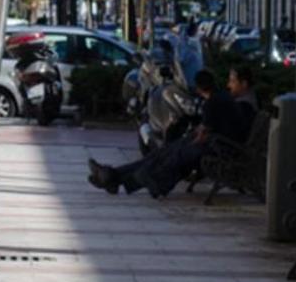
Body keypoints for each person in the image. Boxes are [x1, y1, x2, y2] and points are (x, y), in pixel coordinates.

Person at [88, 68, 255, 198]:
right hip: (217, 146)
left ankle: (113, 177)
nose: (229, 85)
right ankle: (112, 176)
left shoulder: (242, 105)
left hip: (219, 149)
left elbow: (216, 133)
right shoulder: (234, 101)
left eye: (233, 81)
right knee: (161, 155)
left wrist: (192, 139)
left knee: (164, 157)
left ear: (244, 84)